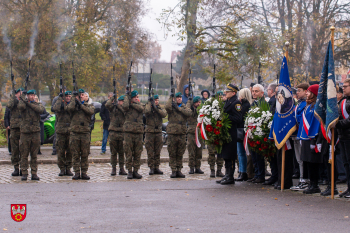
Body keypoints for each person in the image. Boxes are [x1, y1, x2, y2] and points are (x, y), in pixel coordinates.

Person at [215, 84, 242, 185]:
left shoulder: (236, 103)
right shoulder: (228, 101)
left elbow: (238, 118)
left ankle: (230, 176)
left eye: (228, 91)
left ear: (234, 93)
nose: (225, 92)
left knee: (230, 155)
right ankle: (227, 175)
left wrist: (225, 117)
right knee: (226, 155)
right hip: (226, 133)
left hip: (232, 133)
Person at [18, 89, 45, 181]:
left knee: (34, 155)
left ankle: (34, 173)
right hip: (25, 133)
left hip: (35, 132)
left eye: (33, 95)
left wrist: (29, 103)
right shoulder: (23, 104)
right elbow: (20, 107)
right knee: (24, 154)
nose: (32, 97)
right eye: (30, 95)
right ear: (27, 96)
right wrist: (22, 98)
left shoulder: (38, 104)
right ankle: (24, 172)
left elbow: (41, 110)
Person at [68, 89, 95, 180]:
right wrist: (73, 99)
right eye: (79, 95)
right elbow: (69, 109)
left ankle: (84, 172)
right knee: (75, 154)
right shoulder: (73, 106)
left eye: (82, 95)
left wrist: (81, 105)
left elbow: (90, 112)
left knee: (84, 154)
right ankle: (76, 172)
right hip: (75, 133)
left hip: (85, 133)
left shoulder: (89, 105)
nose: (81, 96)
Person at [299, 84, 322, 194]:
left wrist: (314, 139)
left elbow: (315, 123)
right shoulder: (308, 106)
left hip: (311, 137)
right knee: (307, 161)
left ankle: (315, 184)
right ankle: (310, 183)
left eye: (309, 91)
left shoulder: (316, 106)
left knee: (313, 162)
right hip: (305, 137)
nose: (307, 93)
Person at [165, 91, 192, 178]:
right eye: (177, 97)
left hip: (181, 133)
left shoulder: (184, 107)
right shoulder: (171, 107)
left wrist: (178, 108)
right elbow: (167, 107)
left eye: (180, 97)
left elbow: (189, 113)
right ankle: (173, 170)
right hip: (172, 133)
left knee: (180, 152)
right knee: (172, 152)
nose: (179, 99)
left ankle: (179, 169)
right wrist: (170, 98)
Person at [122, 90, 145, 179]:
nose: (136, 98)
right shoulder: (127, 106)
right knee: (128, 152)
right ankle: (129, 171)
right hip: (129, 132)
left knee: (137, 152)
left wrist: (132, 104)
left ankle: (136, 170)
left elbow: (142, 109)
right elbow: (124, 106)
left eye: (137, 97)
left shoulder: (139, 105)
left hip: (138, 132)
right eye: (134, 97)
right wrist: (127, 96)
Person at [290, 83, 309, 191]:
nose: (297, 92)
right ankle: (302, 179)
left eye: (300, 90)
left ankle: (305, 180)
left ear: (306, 91)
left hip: (302, 134)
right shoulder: (299, 103)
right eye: (297, 90)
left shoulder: (305, 104)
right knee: (299, 158)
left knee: (302, 158)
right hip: (296, 134)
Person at [247, 84, 266, 183]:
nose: (254, 93)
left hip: (259, 133)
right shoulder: (254, 103)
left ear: (262, 93)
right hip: (252, 133)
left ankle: (261, 175)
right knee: (254, 155)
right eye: (253, 91)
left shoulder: (264, 103)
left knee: (259, 156)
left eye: (256, 91)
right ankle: (257, 173)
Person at [144, 94, 167, 175]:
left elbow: (164, 114)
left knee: (157, 151)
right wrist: (150, 104)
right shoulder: (148, 108)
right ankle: (151, 167)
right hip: (150, 132)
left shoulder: (159, 108)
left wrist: (156, 108)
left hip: (158, 132)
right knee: (150, 152)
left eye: (157, 100)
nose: (156, 102)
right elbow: (146, 112)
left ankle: (156, 167)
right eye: (154, 100)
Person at [52, 91, 73, 176]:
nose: (68, 98)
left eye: (69, 96)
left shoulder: (72, 104)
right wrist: (60, 98)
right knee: (60, 151)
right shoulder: (59, 104)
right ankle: (62, 168)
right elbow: (54, 108)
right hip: (60, 130)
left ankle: (68, 168)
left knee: (70, 151)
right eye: (66, 96)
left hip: (70, 130)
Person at [106, 95, 127, 176]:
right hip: (113, 132)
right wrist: (112, 98)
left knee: (121, 152)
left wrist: (119, 106)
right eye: (121, 101)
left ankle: (122, 168)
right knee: (113, 152)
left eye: (122, 101)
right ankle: (113, 168)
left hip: (122, 132)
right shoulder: (113, 108)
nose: (121, 103)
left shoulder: (125, 109)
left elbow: (124, 112)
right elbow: (107, 105)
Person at [336, 79, 350, 198]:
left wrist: (337, 124)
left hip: (349, 136)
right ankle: (348, 188)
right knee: (346, 163)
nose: (343, 88)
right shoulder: (343, 101)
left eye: (345, 86)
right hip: (343, 136)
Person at [235, 88, 252, 182]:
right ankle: (242, 171)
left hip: (241, 130)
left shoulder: (244, 105)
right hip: (241, 130)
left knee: (242, 153)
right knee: (241, 153)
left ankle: (243, 171)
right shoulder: (246, 104)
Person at [208, 91, 224, 178]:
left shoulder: (224, 106)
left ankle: (219, 170)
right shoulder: (210, 107)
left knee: (220, 153)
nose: (221, 98)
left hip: (220, 133)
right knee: (211, 153)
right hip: (212, 132)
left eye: (222, 97)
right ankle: (212, 170)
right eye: (219, 97)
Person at [6, 88, 23, 176]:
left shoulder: (24, 101)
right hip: (14, 128)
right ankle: (16, 168)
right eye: (18, 93)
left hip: (23, 128)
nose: (20, 94)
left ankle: (23, 168)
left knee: (23, 150)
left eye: (21, 93)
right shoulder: (13, 101)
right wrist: (13, 97)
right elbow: (9, 105)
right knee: (15, 149)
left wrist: (22, 98)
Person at [186, 96, 204, 174]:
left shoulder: (201, 109)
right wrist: (189, 101)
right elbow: (187, 111)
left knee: (199, 150)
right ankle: (191, 167)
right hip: (191, 132)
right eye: (197, 102)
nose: (198, 104)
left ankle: (198, 167)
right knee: (191, 150)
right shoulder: (190, 109)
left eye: (199, 102)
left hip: (199, 132)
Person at [51, 86, 67, 155]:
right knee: (56, 135)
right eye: (62, 90)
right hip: (59, 119)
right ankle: (55, 149)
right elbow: (53, 108)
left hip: (67, 120)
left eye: (64, 90)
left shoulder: (68, 98)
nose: (63, 92)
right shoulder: (56, 98)